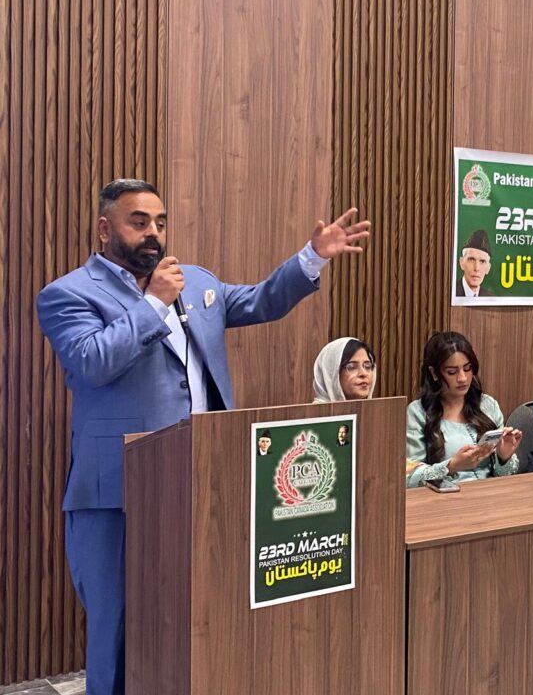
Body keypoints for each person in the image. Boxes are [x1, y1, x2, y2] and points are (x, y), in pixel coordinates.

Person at [35, 178, 370, 695]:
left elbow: (261, 301)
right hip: (115, 494)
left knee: (196, 621)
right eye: (139, 222)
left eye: (160, 222)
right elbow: (92, 361)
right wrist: (153, 304)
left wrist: (312, 257)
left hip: (202, 487)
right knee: (117, 628)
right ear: (105, 229)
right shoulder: (68, 294)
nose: (154, 233)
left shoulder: (195, 283)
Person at [406, 331, 521, 487]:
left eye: (467, 369)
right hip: (445, 497)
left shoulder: (487, 405)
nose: (462, 378)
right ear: (434, 373)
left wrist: (504, 457)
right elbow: (410, 478)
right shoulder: (418, 412)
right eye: (452, 372)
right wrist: (452, 466)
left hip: (489, 493)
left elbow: (504, 476)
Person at [312, 337, 377, 402]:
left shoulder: (374, 408)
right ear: (331, 375)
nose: (363, 373)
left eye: (368, 366)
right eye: (352, 367)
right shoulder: (317, 409)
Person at [454, 229, 494, 297]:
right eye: (471, 260)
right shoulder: (450, 292)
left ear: (488, 268)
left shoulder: (490, 298)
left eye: (482, 261)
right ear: (461, 262)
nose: (476, 268)